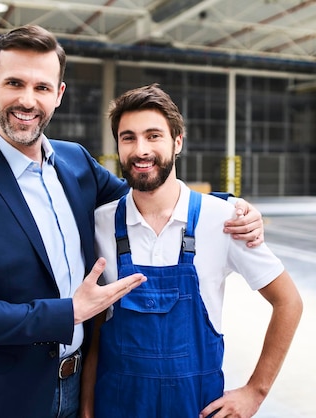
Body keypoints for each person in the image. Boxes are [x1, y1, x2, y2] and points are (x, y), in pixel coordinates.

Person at [0, 26, 266, 418]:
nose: (26, 100)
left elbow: (145, 192)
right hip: (7, 397)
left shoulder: (76, 163)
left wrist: (225, 207)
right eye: (14, 83)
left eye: (41, 87)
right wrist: (68, 312)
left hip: (81, 388)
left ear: (58, 94)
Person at [81, 84, 303, 418]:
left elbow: (288, 301)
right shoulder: (100, 224)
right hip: (117, 404)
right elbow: (97, 328)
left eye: (153, 135)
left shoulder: (224, 220)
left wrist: (255, 392)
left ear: (178, 141)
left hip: (196, 406)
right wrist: (86, 409)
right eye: (129, 138)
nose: (141, 149)